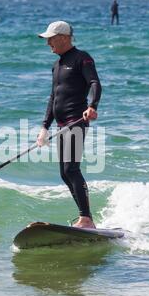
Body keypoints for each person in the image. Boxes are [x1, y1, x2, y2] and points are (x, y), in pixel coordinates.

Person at [36, 21, 102, 229]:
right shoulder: (56, 65)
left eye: (51, 39)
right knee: (64, 172)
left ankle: (86, 219)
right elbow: (52, 97)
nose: (48, 43)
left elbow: (95, 83)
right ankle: (85, 217)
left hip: (77, 121)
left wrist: (92, 105)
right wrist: (44, 127)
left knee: (72, 169)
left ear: (64, 37)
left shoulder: (82, 58)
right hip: (61, 125)